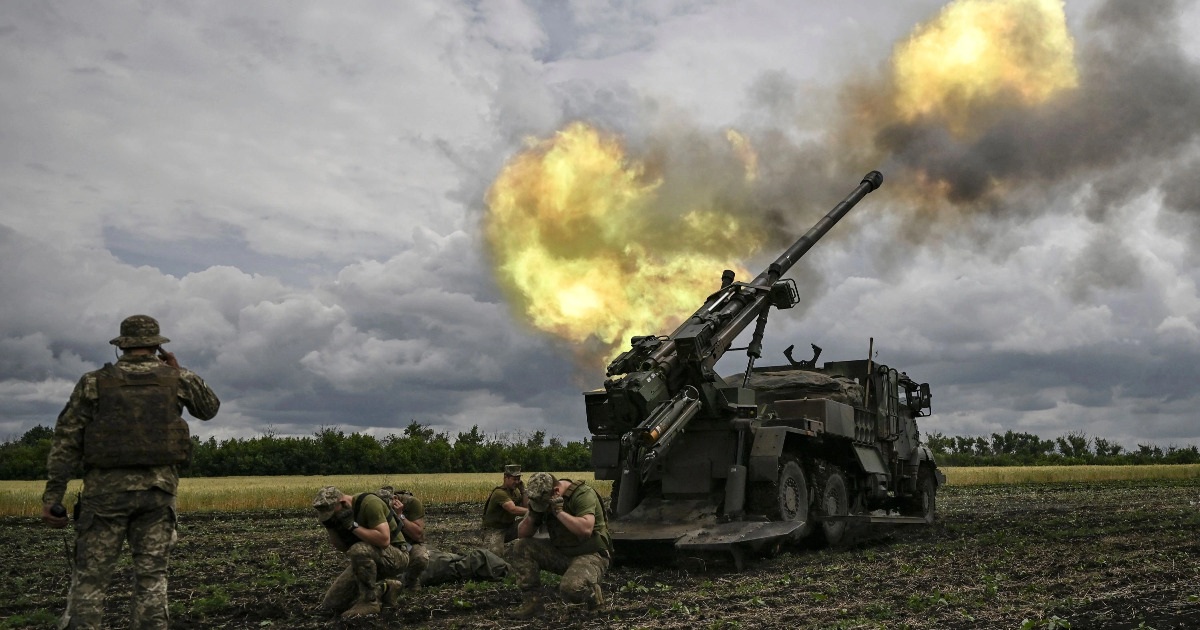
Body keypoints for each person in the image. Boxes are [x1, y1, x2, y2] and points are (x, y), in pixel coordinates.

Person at [40, 314, 220, 630]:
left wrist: (54, 496)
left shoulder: (93, 382)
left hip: (105, 496)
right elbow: (209, 408)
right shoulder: (175, 379)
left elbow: (66, 440)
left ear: (122, 346)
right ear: (156, 346)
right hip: (157, 494)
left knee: (91, 579)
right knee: (152, 577)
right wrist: (179, 370)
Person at [507, 472, 613, 618]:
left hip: (591, 554)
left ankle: (593, 594)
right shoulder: (541, 499)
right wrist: (534, 515)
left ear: (556, 492)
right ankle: (532, 603)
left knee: (571, 588)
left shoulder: (582, 494)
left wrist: (559, 513)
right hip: (562, 552)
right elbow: (522, 534)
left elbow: (585, 530)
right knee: (521, 546)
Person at [313, 486, 412, 617]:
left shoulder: (369, 503)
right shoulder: (342, 514)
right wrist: (330, 527)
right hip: (369, 557)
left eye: (332, 513)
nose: (333, 517)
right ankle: (385, 589)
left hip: (396, 556)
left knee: (358, 550)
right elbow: (344, 548)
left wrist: (352, 526)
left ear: (343, 503)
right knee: (331, 605)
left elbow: (384, 540)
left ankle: (370, 602)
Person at [375, 486, 428, 593]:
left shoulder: (411, 503)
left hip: (410, 542)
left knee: (421, 557)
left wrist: (399, 515)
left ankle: (411, 580)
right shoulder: (374, 506)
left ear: (395, 499)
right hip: (389, 544)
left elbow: (418, 535)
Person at [480, 464, 528, 555]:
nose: (517, 482)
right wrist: (534, 512)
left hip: (508, 528)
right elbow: (513, 509)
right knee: (495, 557)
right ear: (506, 478)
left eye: (518, 479)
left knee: (531, 521)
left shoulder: (516, 492)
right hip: (493, 531)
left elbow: (525, 509)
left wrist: (523, 491)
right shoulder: (499, 493)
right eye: (514, 479)